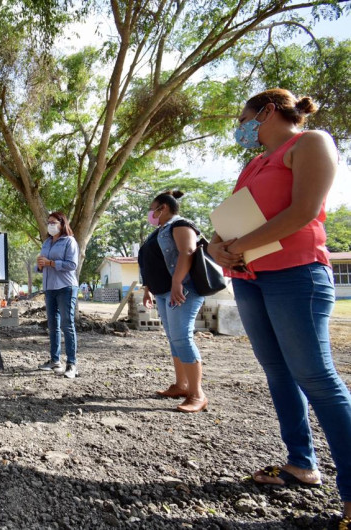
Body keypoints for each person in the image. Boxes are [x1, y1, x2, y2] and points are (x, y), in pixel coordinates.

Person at [208, 88, 351, 528]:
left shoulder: (310, 143)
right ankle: (300, 464)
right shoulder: (252, 165)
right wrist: (218, 249)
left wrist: (238, 246)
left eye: (244, 117)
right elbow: (227, 222)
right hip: (250, 280)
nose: (241, 127)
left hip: (296, 275)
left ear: (267, 112)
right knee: (279, 374)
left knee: (316, 377)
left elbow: (304, 211)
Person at [138, 191, 207, 413]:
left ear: (163, 208)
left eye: (153, 208)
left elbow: (188, 251)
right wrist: (148, 289)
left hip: (182, 290)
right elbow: (152, 263)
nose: (151, 213)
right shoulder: (159, 231)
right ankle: (181, 385)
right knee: (174, 338)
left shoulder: (181, 225)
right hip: (163, 292)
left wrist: (177, 281)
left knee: (182, 337)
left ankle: (197, 394)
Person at [36, 211, 80, 378]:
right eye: (49, 222)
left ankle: (71, 364)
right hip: (49, 288)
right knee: (53, 326)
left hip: (66, 287)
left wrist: (51, 263)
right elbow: (42, 263)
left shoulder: (69, 241)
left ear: (62, 224)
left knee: (67, 325)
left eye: (54, 222)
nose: (50, 225)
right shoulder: (47, 242)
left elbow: (72, 264)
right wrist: (40, 265)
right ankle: (55, 360)